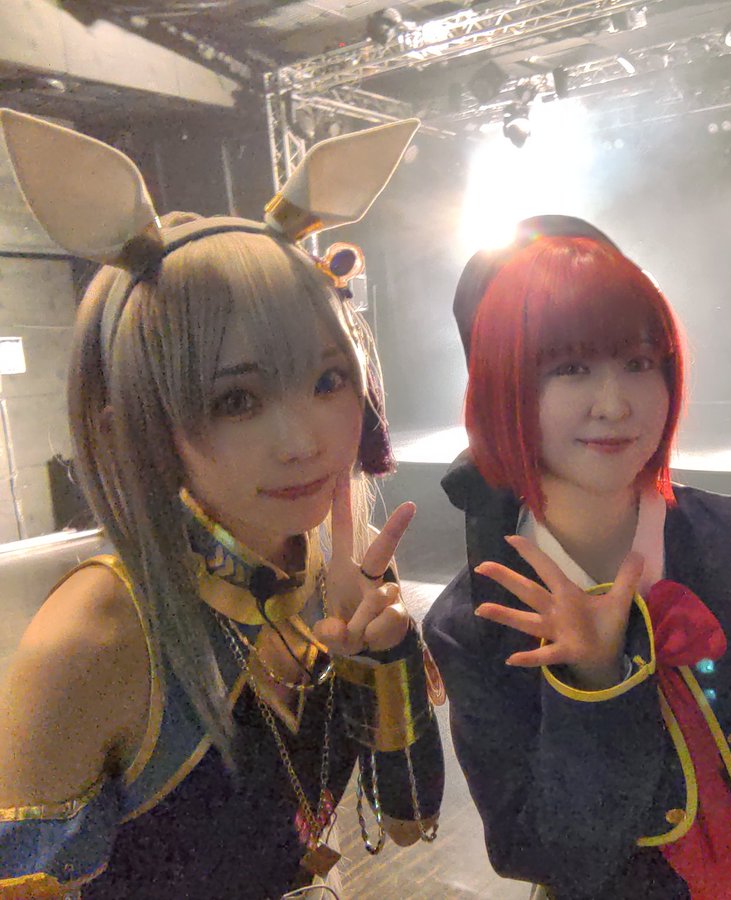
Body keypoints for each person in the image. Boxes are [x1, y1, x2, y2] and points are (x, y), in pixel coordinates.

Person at [0, 110, 444, 898]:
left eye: (327, 380)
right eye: (236, 399)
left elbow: (407, 825)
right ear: (132, 426)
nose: (303, 440)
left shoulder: (336, 567)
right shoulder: (93, 642)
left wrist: (385, 662)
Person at [424, 216, 731, 899]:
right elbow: (547, 853)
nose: (615, 404)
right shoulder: (477, 622)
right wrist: (597, 688)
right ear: (502, 388)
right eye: (570, 369)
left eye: (639, 363)